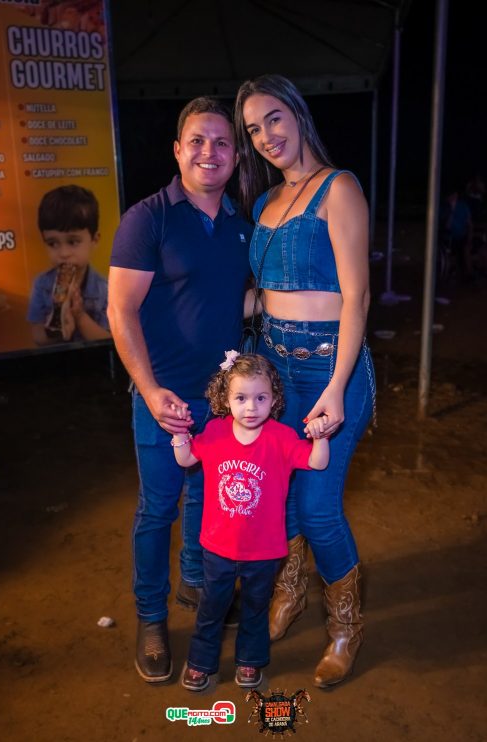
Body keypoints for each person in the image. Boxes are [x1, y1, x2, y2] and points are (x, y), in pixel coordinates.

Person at [233, 74, 376, 689]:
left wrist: (337, 386)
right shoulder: (264, 203)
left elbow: (358, 297)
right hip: (274, 372)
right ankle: (289, 588)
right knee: (279, 499)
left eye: (273, 119)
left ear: (296, 113)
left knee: (317, 509)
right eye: (252, 130)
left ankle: (345, 624)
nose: (265, 137)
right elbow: (259, 297)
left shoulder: (339, 188)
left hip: (329, 370)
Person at [108, 97, 253, 683]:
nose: (209, 152)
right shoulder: (149, 218)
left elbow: (232, 300)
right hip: (162, 401)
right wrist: (148, 389)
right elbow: (120, 311)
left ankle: (194, 582)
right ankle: (150, 619)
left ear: (235, 155)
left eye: (221, 142)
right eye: (197, 140)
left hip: (219, 401)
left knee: (205, 501)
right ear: (177, 150)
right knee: (158, 509)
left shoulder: (242, 225)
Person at [172, 351, 329, 691]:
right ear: (225, 399)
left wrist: (321, 436)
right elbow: (186, 458)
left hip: (266, 549)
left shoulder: (283, 438)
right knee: (212, 607)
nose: (251, 407)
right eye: (241, 398)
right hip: (218, 546)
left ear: (274, 399)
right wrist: (180, 432)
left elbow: (316, 463)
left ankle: (249, 662)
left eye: (261, 398)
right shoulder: (214, 432)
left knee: (256, 609)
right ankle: (200, 663)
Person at [27, 185, 110, 345]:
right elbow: (37, 337)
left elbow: (109, 341)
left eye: (73, 242)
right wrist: (58, 326)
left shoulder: (105, 288)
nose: (63, 253)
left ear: (94, 240)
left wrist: (79, 316)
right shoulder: (41, 284)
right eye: (52, 243)